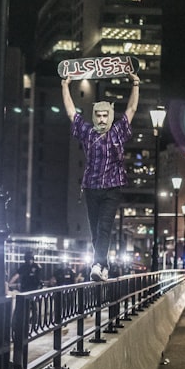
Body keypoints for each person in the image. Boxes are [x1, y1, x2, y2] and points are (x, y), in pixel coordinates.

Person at [61, 69, 139, 282]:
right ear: (94, 116)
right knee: (95, 230)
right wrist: (65, 86)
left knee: (104, 226)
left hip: (112, 187)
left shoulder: (118, 132)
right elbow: (71, 113)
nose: (102, 119)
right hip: (91, 187)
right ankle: (102, 266)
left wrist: (136, 84)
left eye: (106, 115)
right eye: (98, 115)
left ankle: (97, 264)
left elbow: (131, 108)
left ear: (110, 116)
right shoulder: (88, 133)